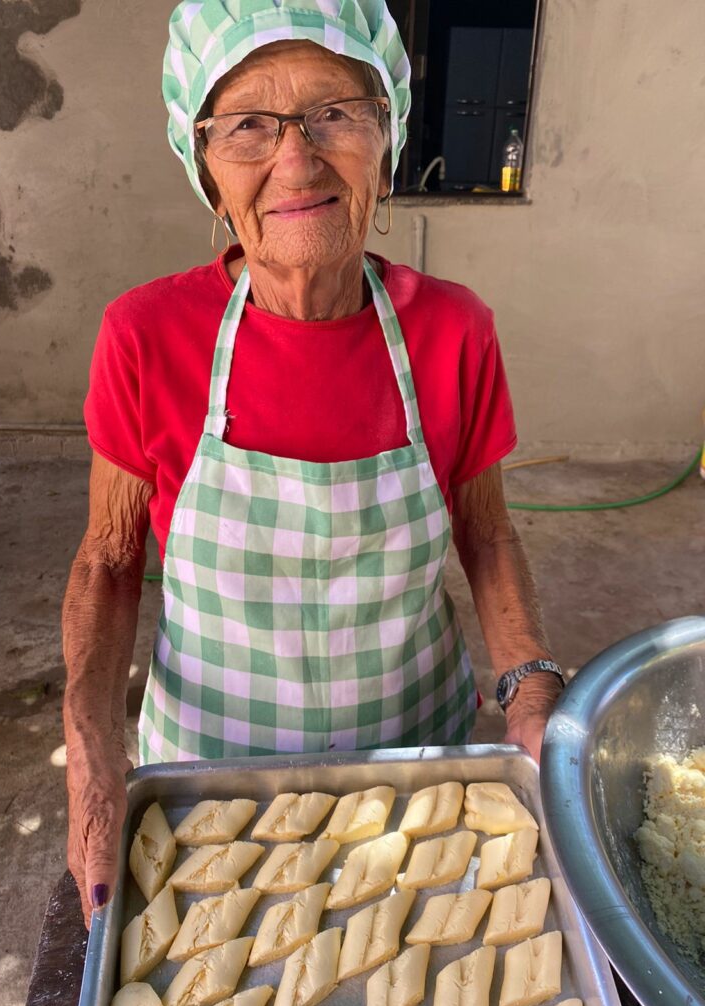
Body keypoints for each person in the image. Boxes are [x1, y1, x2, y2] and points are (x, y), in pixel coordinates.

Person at [62, 0, 565, 927]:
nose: (296, 159)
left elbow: (487, 534)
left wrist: (528, 687)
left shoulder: (453, 329)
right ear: (205, 166)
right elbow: (107, 558)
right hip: (208, 785)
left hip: (419, 777)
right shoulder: (146, 335)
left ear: (387, 136)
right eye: (248, 124)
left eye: (335, 112)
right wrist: (94, 770)